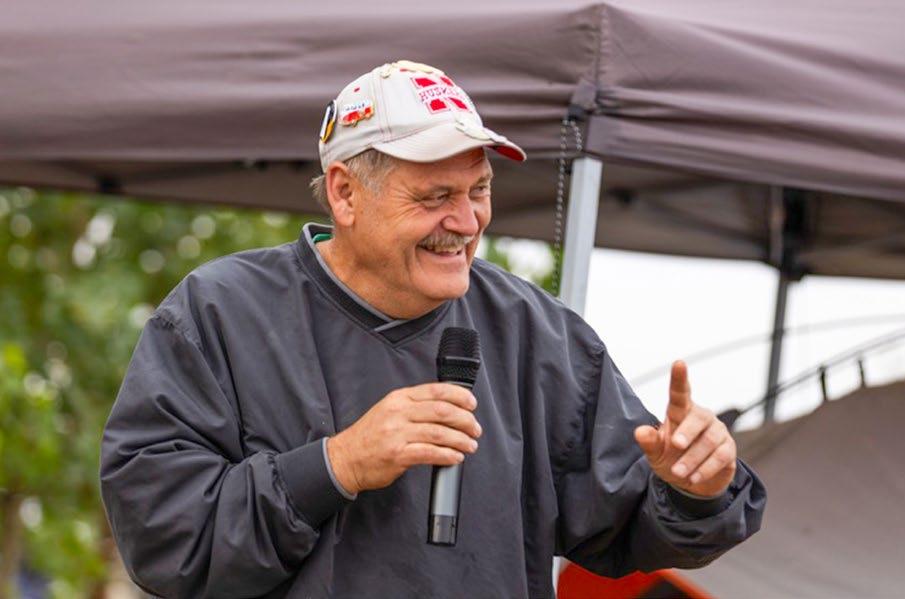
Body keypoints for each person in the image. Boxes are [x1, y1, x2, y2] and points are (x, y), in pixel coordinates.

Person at [100, 60, 766, 598]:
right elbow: (164, 538)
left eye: (478, 190)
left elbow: (630, 525)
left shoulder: (533, 333)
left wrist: (696, 489)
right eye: (434, 197)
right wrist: (335, 465)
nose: (468, 222)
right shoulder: (218, 315)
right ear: (345, 193)